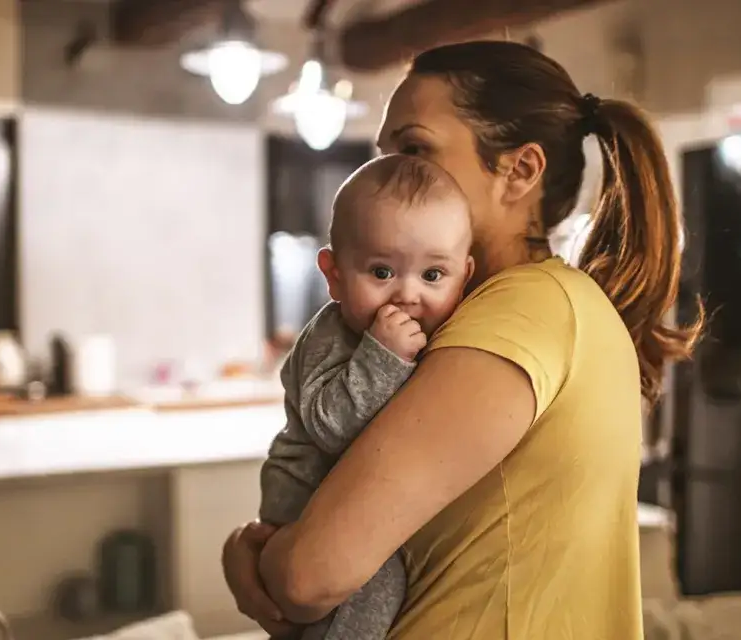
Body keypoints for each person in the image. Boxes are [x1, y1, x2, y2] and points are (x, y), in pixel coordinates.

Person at [224, 39, 703, 639]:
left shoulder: (522, 312)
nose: (391, 175)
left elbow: (309, 577)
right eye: (383, 156)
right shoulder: (525, 308)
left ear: (520, 171)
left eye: (415, 148)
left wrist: (251, 556)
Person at [259, 154, 474, 640]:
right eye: (381, 272)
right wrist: (382, 357)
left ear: (465, 274)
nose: (407, 294)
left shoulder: (448, 336)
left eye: (433, 276)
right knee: (375, 577)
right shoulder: (329, 338)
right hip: (305, 503)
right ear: (334, 275)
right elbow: (329, 427)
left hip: (349, 503)